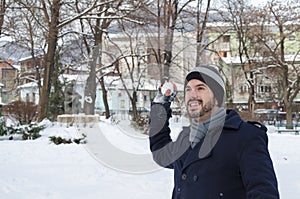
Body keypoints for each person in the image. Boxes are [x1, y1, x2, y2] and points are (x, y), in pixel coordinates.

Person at [149, 65, 279, 199]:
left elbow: (264, 192)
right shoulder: (186, 138)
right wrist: (160, 105)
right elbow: (160, 152)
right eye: (188, 89)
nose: (192, 95)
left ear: (217, 98)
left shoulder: (245, 136)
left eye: (200, 88)